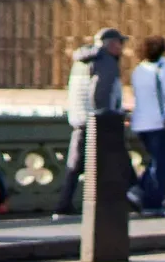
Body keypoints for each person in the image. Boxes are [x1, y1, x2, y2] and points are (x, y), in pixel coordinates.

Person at [53, 28, 128, 218]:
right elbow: (100, 93)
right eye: (120, 43)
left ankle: (64, 205)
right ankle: (134, 200)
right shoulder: (106, 61)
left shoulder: (81, 60)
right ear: (111, 44)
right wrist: (105, 115)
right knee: (116, 161)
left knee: (76, 165)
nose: (122, 48)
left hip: (79, 118)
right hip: (97, 121)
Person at [128, 36, 165, 216]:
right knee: (161, 164)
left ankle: (139, 191)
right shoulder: (164, 68)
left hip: (141, 122)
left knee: (154, 161)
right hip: (160, 122)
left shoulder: (138, 69)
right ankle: (153, 204)